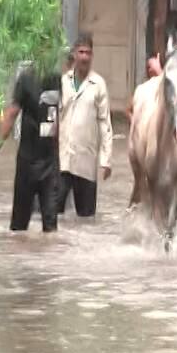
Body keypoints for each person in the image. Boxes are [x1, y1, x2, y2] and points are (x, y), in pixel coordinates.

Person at [0, 63, 61, 232]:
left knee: (51, 228)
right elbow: (11, 114)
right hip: (28, 162)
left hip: (50, 164)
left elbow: (57, 115)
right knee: (19, 227)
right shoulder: (26, 78)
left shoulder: (56, 79)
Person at [57, 32, 113, 217]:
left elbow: (105, 123)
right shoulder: (63, 81)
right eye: (81, 52)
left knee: (86, 219)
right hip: (62, 159)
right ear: (74, 54)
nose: (84, 57)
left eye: (88, 53)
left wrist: (106, 159)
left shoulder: (98, 84)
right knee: (53, 215)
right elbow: (55, 116)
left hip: (86, 161)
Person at [126, 53, 163, 122]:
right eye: (148, 67)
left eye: (151, 66)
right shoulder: (142, 89)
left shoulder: (165, 85)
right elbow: (128, 110)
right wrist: (136, 124)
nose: (150, 70)